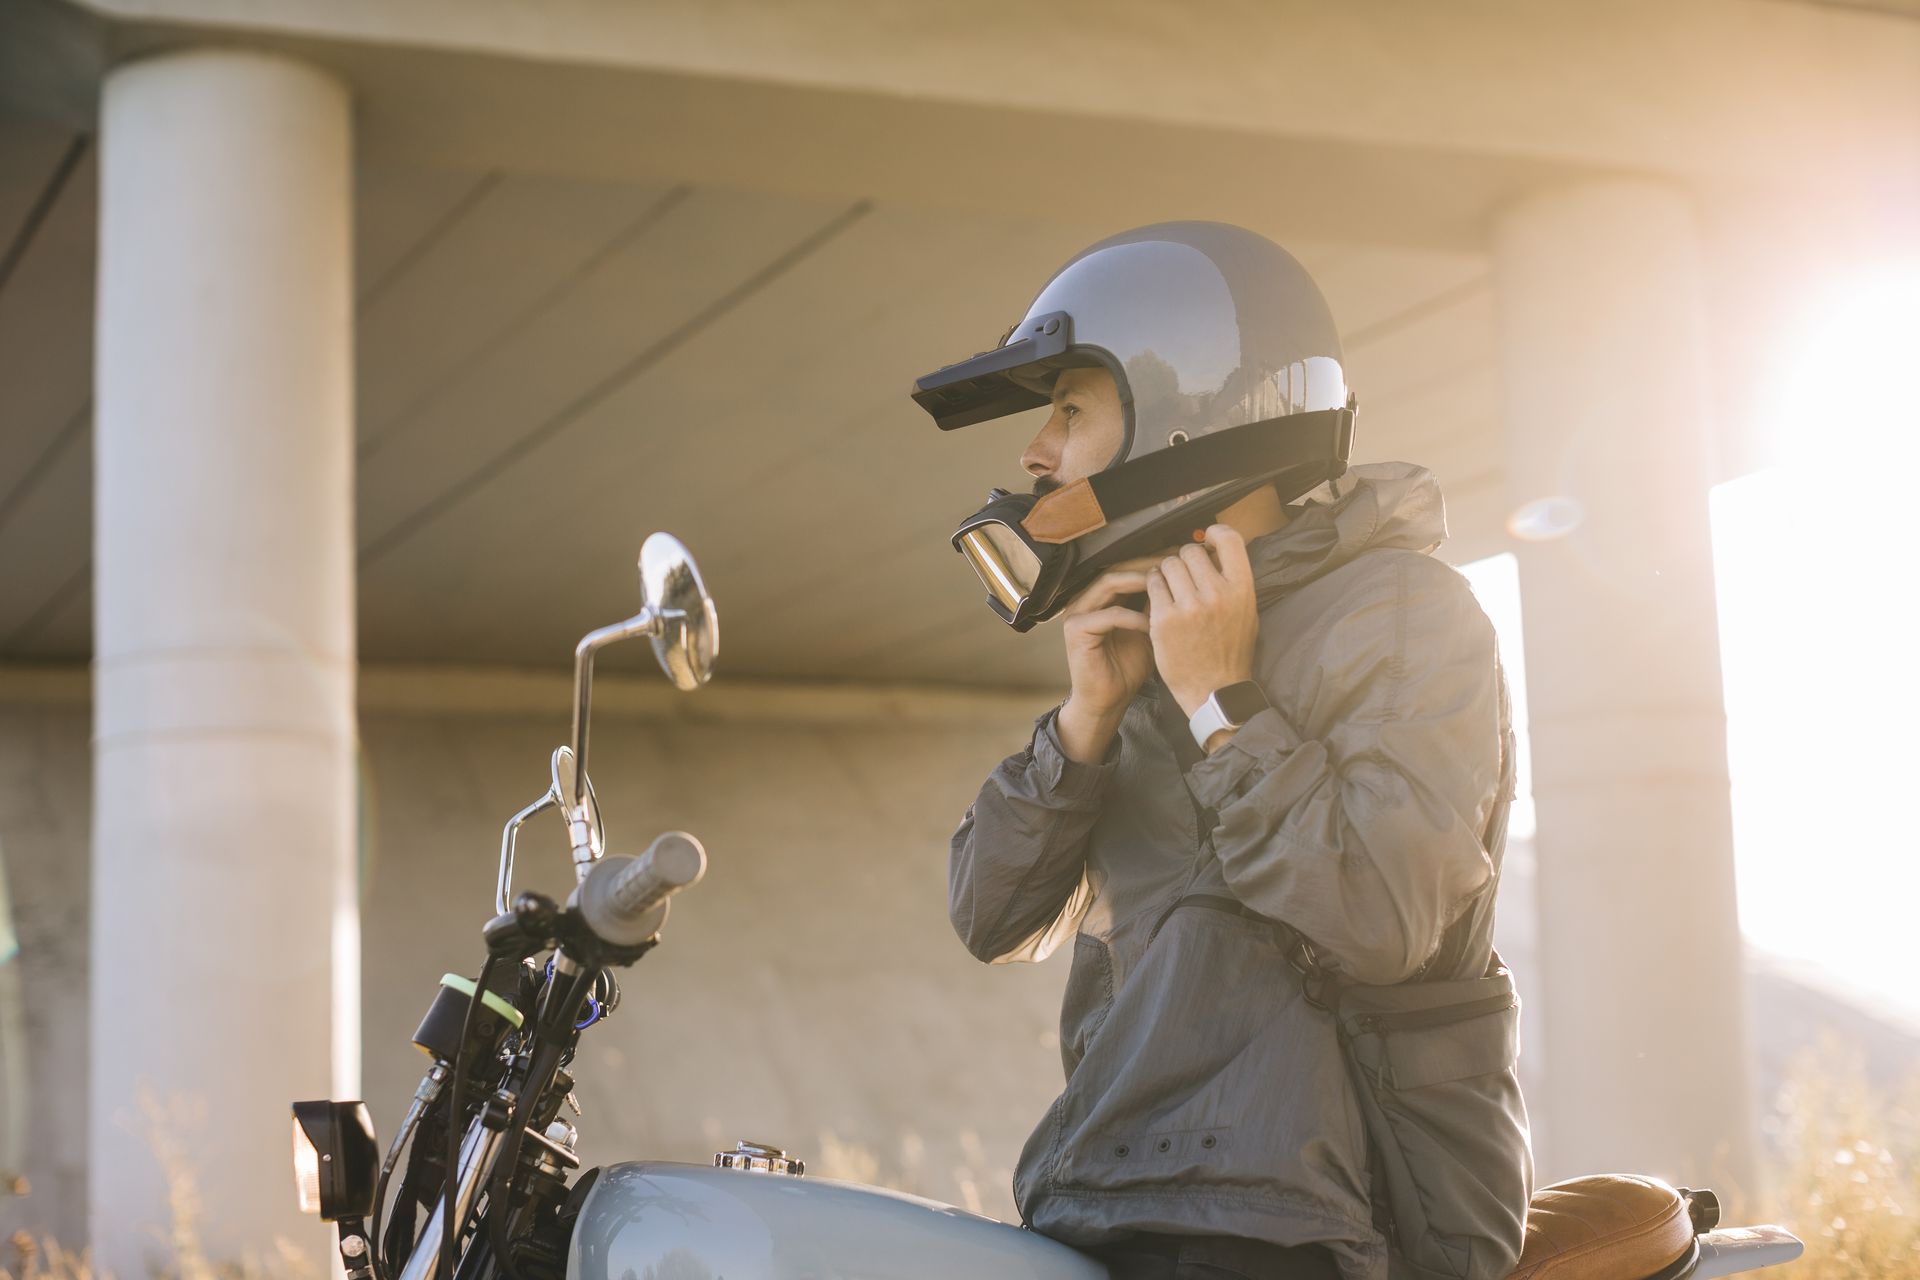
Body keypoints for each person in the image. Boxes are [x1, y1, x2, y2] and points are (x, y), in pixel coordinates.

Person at [911, 223, 1525, 1280]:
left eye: (1070, 407)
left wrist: (1222, 701)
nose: (1034, 454)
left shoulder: (1407, 614)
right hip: (1106, 1195)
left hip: (1321, 1219)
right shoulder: (1138, 636)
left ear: (1187, 413)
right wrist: (1083, 725)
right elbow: (990, 916)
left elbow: (1377, 914)